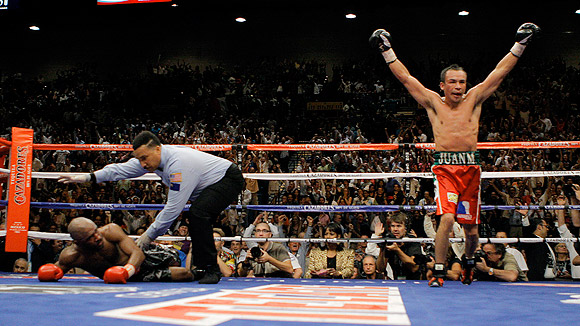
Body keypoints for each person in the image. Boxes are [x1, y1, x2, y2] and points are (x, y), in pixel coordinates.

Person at [369, 22, 540, 287]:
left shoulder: (475, 98)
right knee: (447, 218)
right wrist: (386, 50)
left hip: (471, 169)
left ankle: (470, 262)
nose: (458, 86)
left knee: (471, 228)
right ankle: (439, 269)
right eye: (453, 82)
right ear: (443, 85)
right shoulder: (433, 103)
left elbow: (500, 72)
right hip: (445, 170)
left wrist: (521, 43)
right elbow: (405, 78)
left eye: (462, 81)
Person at [58, 131, 245, 284]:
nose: (142, 164)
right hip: (207, 186)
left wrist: (148, 236)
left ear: (157, 149)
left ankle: (211, 269)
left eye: (144, 158)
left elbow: (173, 208)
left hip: (227, 179)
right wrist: (89, 177)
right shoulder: (151, 159)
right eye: (139, 159)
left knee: (198, 213)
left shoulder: (178, 165)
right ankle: (204, 267)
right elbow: (120, 169)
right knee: (197, 216)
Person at [37, 217, 193, 283]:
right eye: (90, 237)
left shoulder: (110, 231)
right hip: (134, 278)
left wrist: (127, 271)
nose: (97, 237)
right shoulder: (72, 255)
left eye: (96, 231)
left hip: (141, 261)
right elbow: (55, 270)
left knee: (175, 259)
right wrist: (49, 272)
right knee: (183, 274)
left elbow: (137, 253)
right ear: (78, 242)